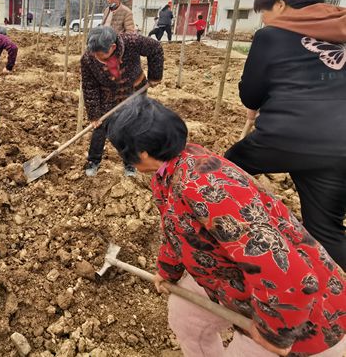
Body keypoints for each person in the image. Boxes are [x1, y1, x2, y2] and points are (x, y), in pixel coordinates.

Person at [106, 97, 346, 357]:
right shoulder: (169, 172)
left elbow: (288, 274)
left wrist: (276, 334)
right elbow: (177, 230)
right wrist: (167, 270)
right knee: (185, 314)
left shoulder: (204, 189)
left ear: (141, 153)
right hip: (235, 283)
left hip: (299, 317)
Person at [224, 0, 346, 270]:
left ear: (280, 5)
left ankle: (226, 237)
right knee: (326, 231)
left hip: (286, 136)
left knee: (222, 173)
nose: (264, 20)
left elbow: (251, 93)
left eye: (264, 13)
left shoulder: (271, 36)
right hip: (340, 148)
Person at [81, 26, 163, 177]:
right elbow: (89, 87)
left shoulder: (132, 42)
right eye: (95, 54)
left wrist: (155, 76)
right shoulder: (88, 58)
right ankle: (93, 161)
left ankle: (130, 163)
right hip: (108, 93)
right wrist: (94, 114)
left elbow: (155, 48)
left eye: (101, 55)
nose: (97, 58)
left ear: (112, 47)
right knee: (100, 126)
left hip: (133, 89)